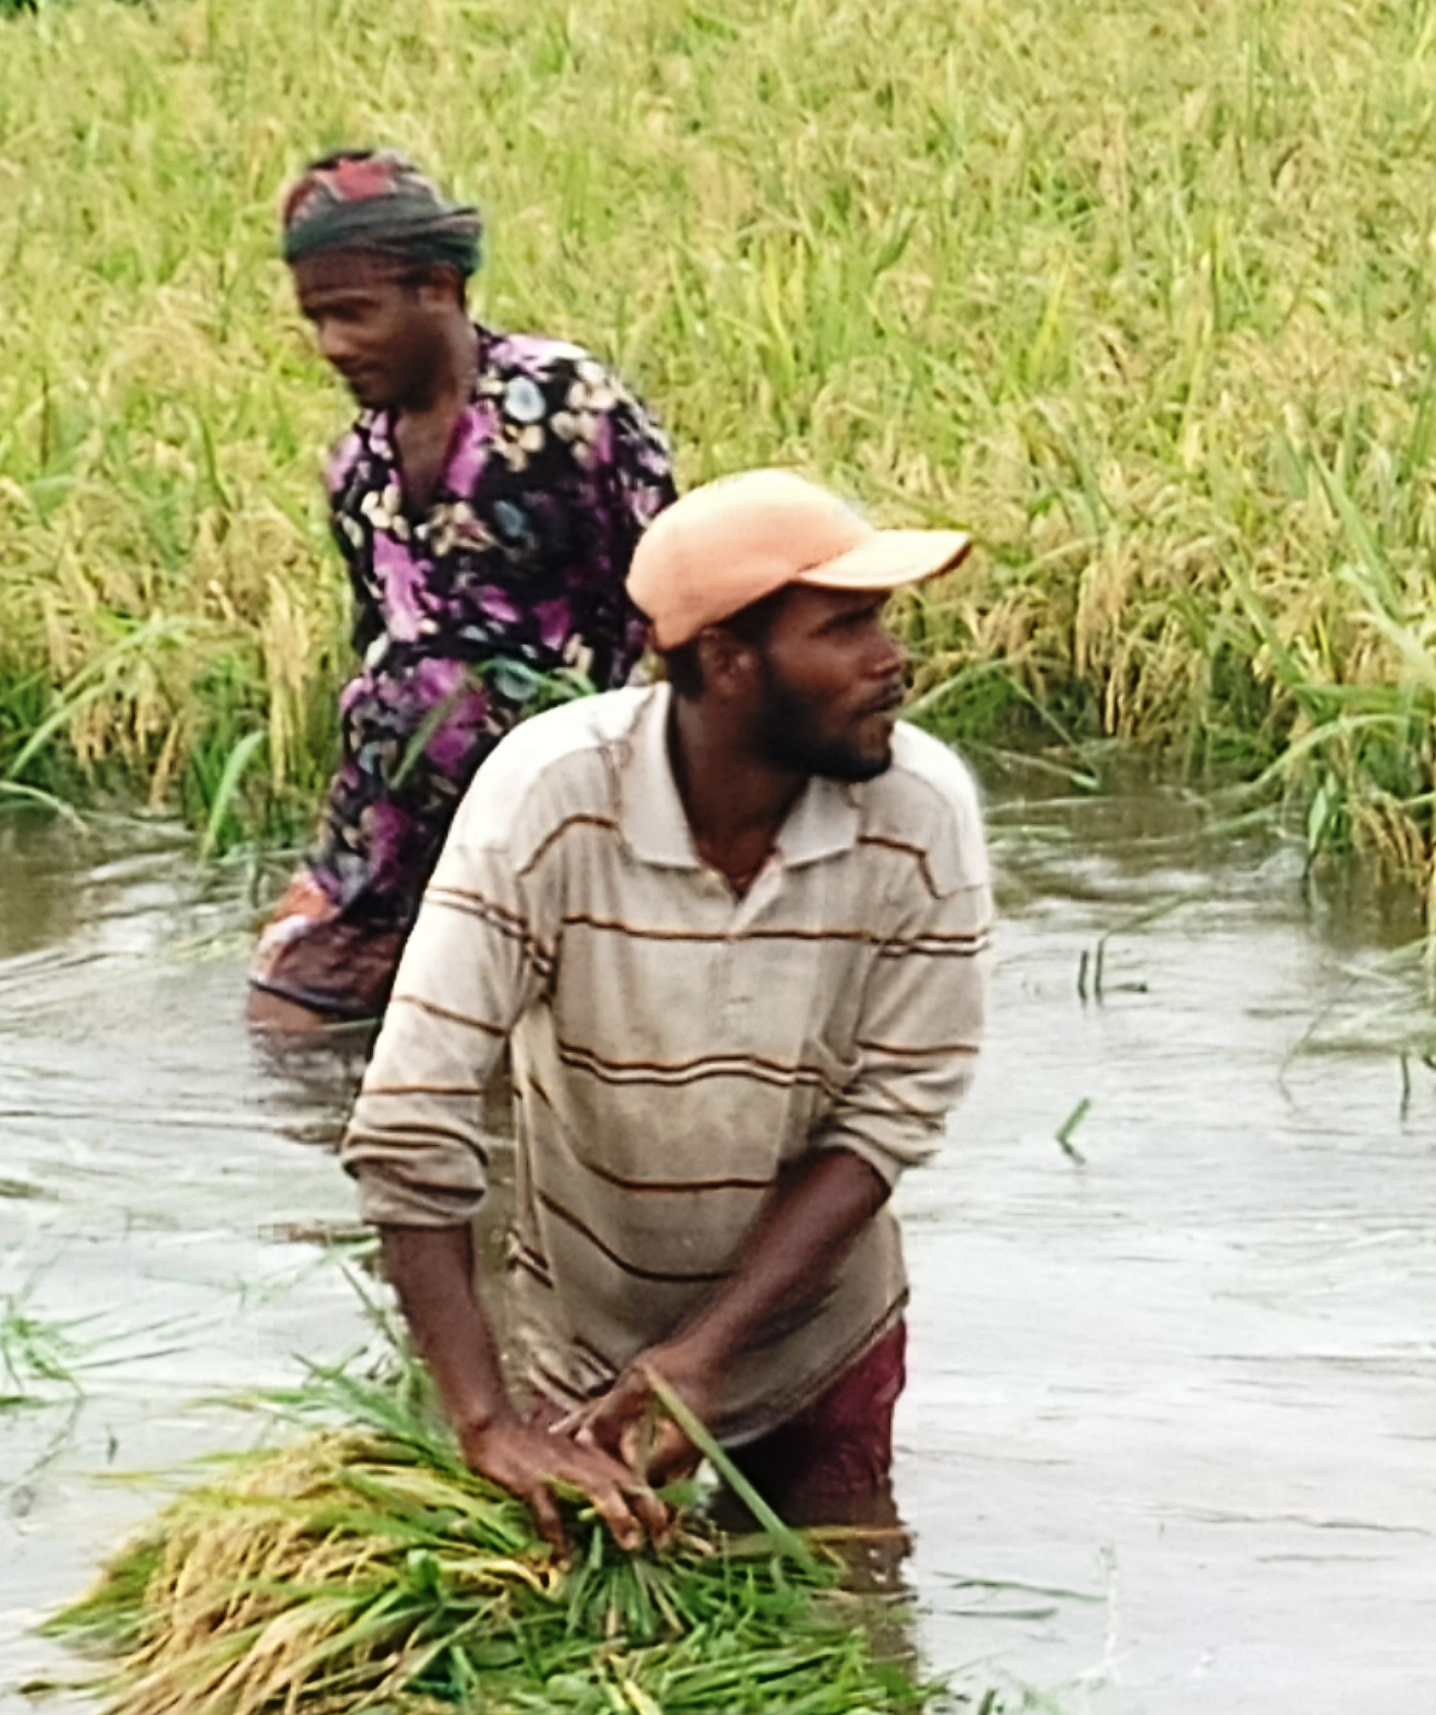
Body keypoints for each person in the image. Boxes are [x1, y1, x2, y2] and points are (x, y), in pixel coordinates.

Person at [340, 469, 989, 1542]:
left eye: (882, 622)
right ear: (730, 663)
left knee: (849, 1634)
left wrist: (705, 1353)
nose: (891, 661)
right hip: (581, 1338)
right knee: (579, 1650)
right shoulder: (549, 800)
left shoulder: (917, 810)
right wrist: (488, 1421)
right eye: (845, 627)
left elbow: (891, 1114)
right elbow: (411, 1120)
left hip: (814, 1335)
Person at [251, 149, 678, 1032]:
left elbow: (675, 594)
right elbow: (382, 661)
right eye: (315, 320)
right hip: (397, 849)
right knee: (286, 1027)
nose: (332, 344)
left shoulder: (562, 405)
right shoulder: (358, 471)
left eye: (354, 313)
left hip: (574, 818)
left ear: (438, 288)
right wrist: (334, 868)